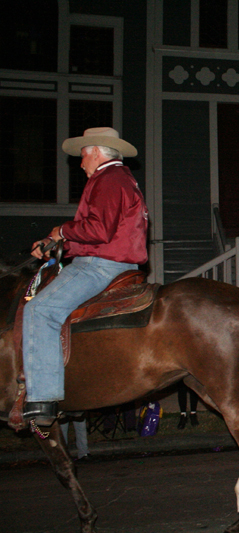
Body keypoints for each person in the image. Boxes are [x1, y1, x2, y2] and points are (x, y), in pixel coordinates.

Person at [22, 127, 149, 427]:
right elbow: (103, 233)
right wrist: (55, 243)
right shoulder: (121, 179)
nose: (80, 162)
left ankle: (42, 398)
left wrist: (62, 231)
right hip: (112, 262)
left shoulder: (108, 179)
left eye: (82, 154)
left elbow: (98, 230)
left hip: (99, 266)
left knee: (39, 310)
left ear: (96, 150)